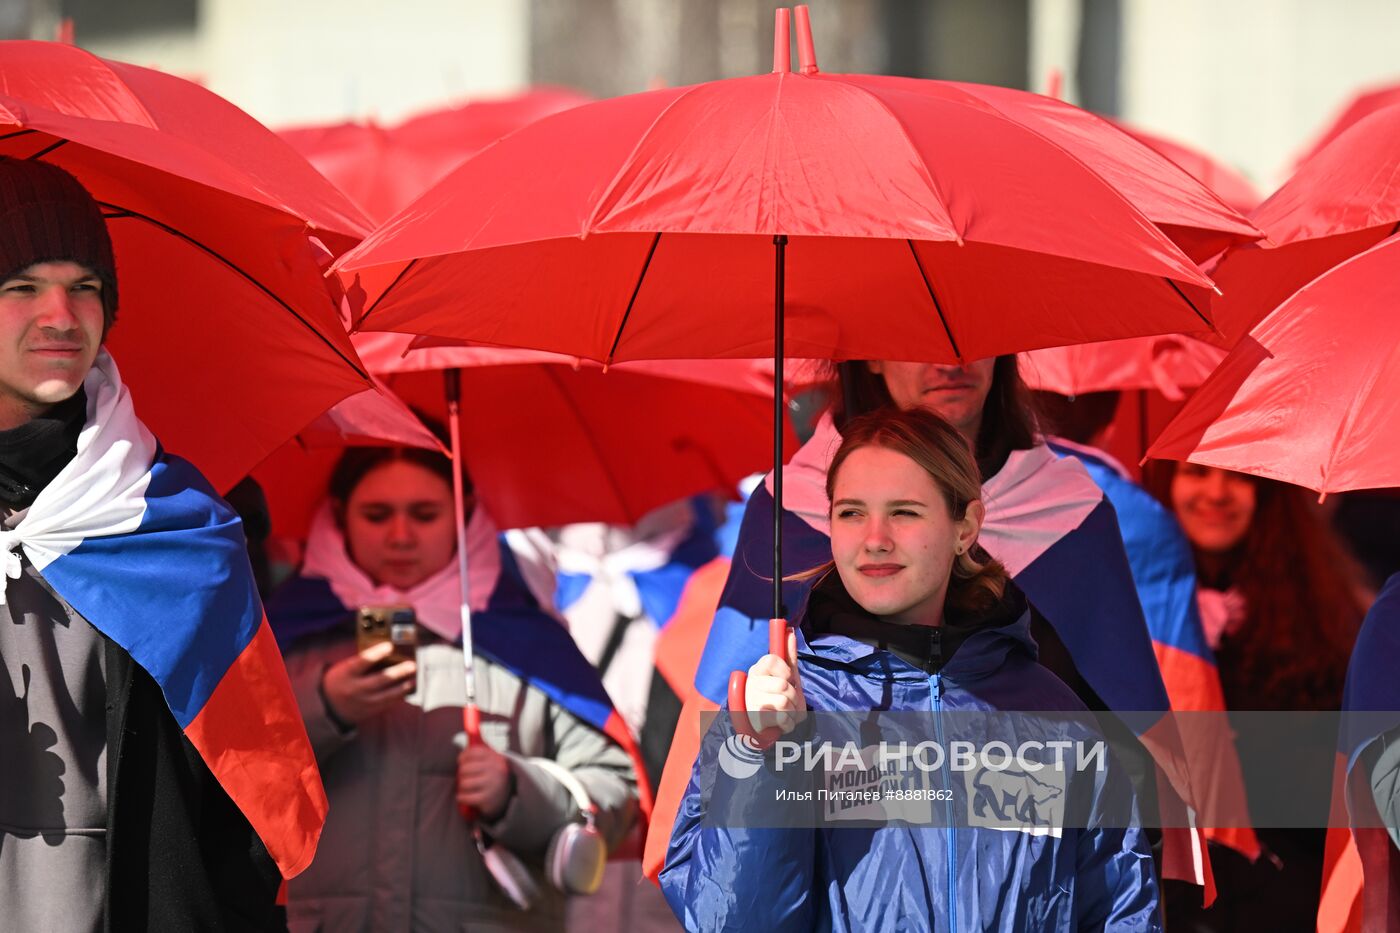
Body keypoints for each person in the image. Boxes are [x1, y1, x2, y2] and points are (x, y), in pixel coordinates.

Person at [661, 407, 1162, 930]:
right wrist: (766, 763)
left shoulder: (1052, 712)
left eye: (904, 511)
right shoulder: (777, 709)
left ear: (965, 527)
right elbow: (732, 923)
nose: (875, 538)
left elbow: (1120, 910)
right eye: (851, 512)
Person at [0, 157, 322, 930]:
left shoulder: (179, 523)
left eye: (84, 286)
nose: (60, 315)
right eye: (20, 287)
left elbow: (259, 800)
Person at [267, 442, 642, 932]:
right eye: (377, 515)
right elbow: (221, 779)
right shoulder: (281, 637)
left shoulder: (528, 643)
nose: (401, 536)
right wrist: (322, 709)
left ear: (462, 515)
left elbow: (617, 791)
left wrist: (518, 789)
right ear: (339, 517)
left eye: (425, 514)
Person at [1145, 460, 1369, 932]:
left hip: (1278, 890)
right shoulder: (1137, 602)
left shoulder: (1314, 618)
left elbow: (1322, 791)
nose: (1217, 492)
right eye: (1196, 473)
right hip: (1171, 893)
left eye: (1241, 477)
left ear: (1268, 496)